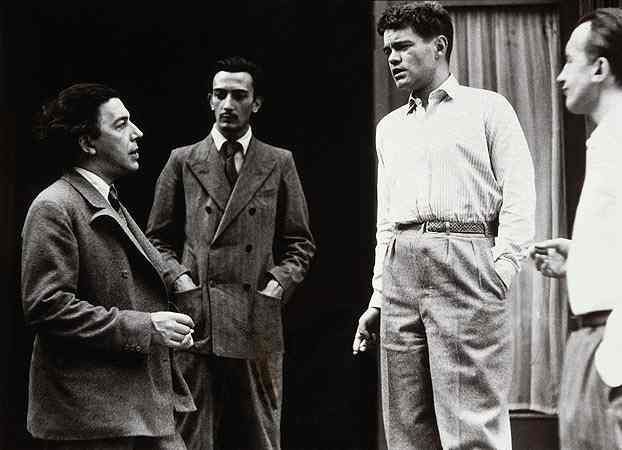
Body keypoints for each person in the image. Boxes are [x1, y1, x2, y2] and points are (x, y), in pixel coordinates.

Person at [352, 2, 536, 449]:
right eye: (387, 50)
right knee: (406, 424)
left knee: (471, 422)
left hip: (465, 260)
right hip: (401, 268)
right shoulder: (389, 128)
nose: (393, 58)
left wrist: (501, 269)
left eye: (403, 46)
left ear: (439, 46)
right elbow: (385, 221)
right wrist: (378, 297)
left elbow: (520, 194)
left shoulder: (487, 109)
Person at [146, 56, 315, 450]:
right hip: (197, 318)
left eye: (239, 96)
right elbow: (155, 239)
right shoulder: (183, 160)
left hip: (256, 318)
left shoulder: (278, 161)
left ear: (256, 103)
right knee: (190, 437)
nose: (228, 104)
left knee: (261, 437)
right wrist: (181, 281)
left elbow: (300, 242)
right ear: (209, 100)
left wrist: (275, 287)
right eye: (219, 94)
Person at [21, 83, 196, 450]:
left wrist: (169, 317)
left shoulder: (106, 199)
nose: (137, 132)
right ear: (88, 142)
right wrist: (147, 326)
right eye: (121, 124)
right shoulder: (54, 206)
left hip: (132, 406)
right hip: (91, 419)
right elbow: (48, 309)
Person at [530, 8, 622, 449]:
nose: (560, 76)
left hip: (610, 346)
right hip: (593, 341)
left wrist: (612, 365)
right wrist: (582, 258)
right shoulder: (605, 141)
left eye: (570, 61)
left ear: (600, 68)